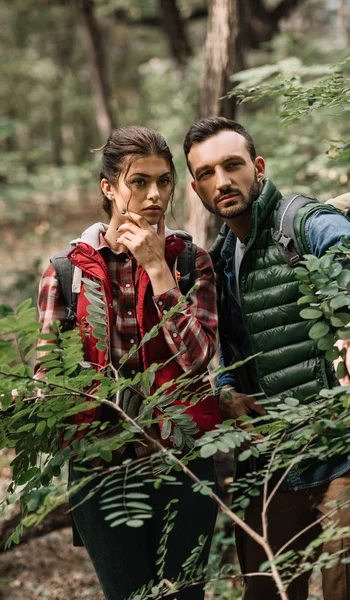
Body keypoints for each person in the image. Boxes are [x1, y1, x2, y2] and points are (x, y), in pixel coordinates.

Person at [183, 116, 350, 600]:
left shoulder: (308, 223)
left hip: (344, 455)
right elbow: (223, 353)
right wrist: (224, 391)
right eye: (207, 173)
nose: (222, 181)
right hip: (269, 465)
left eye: (233, 165)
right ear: (196, 189)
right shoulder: (217, 261)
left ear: (257, 167)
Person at [35, 126, 221, 600]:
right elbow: (46, 377)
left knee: (185, 595)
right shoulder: (65, 272)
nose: (155, 194)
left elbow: (199, 360)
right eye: (139, 181)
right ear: (109, 188)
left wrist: (159, 271)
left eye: (164, 181)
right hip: (101, 471)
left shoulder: (190, 262)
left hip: (183, 461)